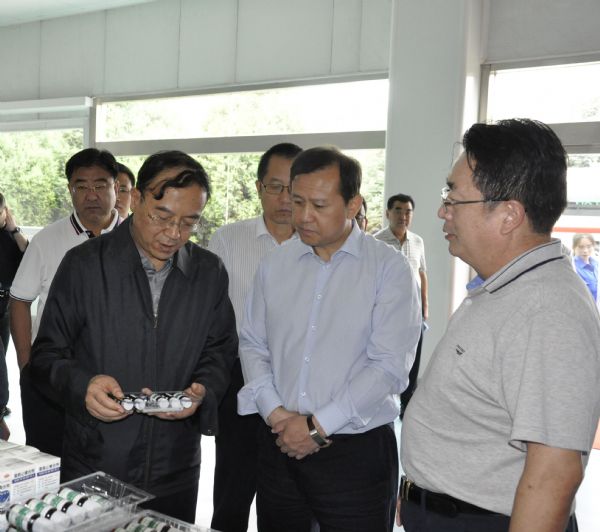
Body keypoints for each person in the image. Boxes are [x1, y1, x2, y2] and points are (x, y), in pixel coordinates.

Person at [399, 119, 600, 532]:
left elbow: (553, 476)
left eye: (453, 198)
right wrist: (421, 492)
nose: (442, 210)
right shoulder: (505, 286)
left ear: (509, 215)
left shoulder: (547, 310)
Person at [29, 150, 237, 522]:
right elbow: (46, 355)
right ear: (136, 199)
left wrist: (203, 389)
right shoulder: (85, 265)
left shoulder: (209, 273)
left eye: (189, 222)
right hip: (96, 461)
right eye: (162, 217)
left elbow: (220, 350)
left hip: (175, 467)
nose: (174, 234)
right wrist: (83, 386)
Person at [238, 146, 421, 532]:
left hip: (355, 454)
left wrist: (316, 427)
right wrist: (276, 414)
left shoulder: (389, 269)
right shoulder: (276, 264)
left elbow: (388, 367)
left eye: (319, 205)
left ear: (353, 204)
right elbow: (253, 343)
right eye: (297, 201)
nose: (303, 216)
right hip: (279, 444)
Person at [208, 142, 301, 532]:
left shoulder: (320, 245)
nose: (285, 199)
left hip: (299, 385)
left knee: (286, 498)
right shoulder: (228, 240)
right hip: (239, 379)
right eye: (275, 187)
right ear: (260, 187)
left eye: (293, 189)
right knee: (233, 489)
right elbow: (210, 316)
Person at [10, 148, 121, 457]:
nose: (91, 195)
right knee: (50, 459)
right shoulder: (47, 240)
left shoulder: (135, 238)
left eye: (100, 185)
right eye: (81, 186)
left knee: (110, 462)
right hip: (53, 377)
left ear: (116, 187)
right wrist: (27, 365)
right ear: (70, 189)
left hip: (117, 376)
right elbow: (19, 301)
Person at [374, 193, 428, 416]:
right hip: (388, 310)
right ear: (388, 213)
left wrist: (425, 309)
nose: (403, 216)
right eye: (398, 210)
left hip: (414, 312)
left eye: (408, 212)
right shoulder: (377, 241)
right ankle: (381, 400)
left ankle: (408, 404)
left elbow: (422, 274)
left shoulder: (417, 241)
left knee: (413, 357)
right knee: (386, 355)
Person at [0, 193, 29, 434]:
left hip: (7, 304)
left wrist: (15, 229)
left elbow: (29, 254)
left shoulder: (11, 236)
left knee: (3, 352)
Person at [572, 233, 598, 304]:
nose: (585, 250)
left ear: (593, 246)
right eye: (581, 247)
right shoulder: (571, 267)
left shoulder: (597, 264)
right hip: (581, 308)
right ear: (574, 247)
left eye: (589, 246)